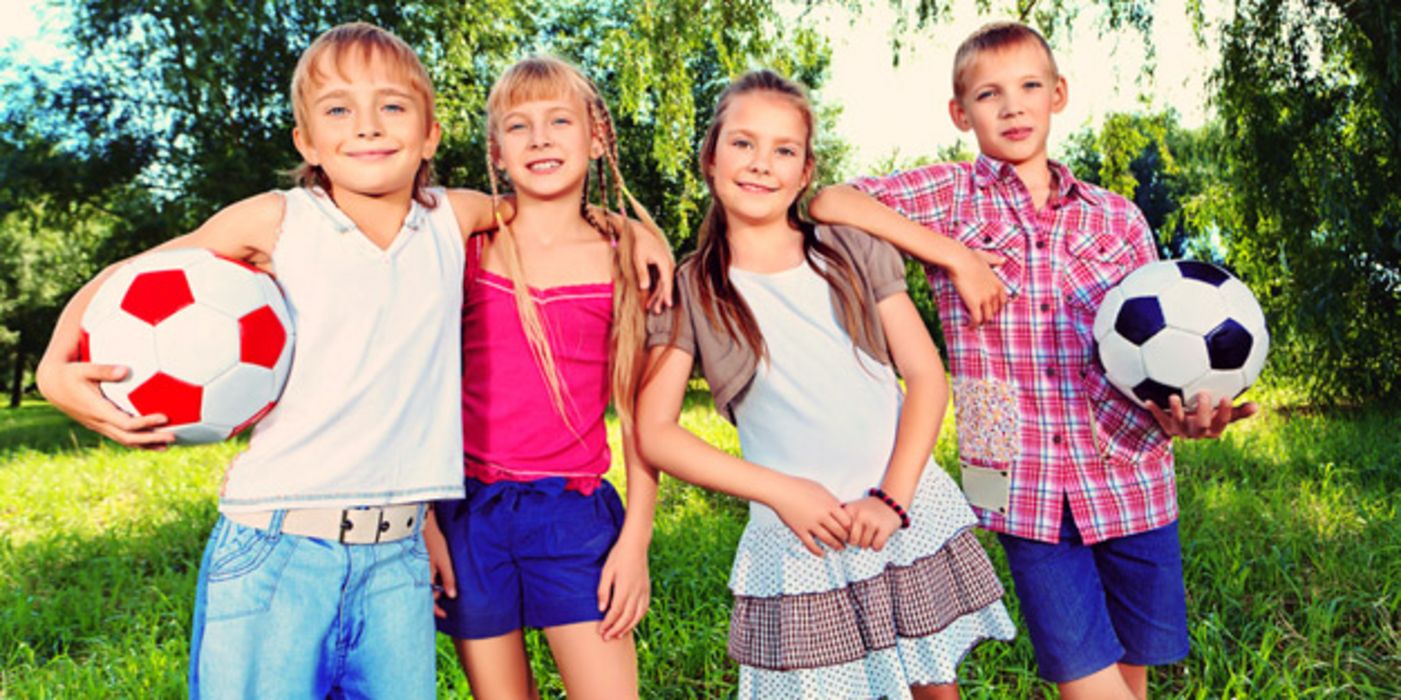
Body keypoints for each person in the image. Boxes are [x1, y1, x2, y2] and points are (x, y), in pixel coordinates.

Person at [34, 25, 670, 698]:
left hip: (396, 559)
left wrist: (632, 226)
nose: (366, 126)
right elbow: (128, 275)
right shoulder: (275, 221)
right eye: (338, 109)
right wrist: (53, 367)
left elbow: (548, 208)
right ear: (305, 141)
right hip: (279, 543)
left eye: (392, 106)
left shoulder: (452, 219)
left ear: (430, 134)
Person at [808, 21, 1258, 700]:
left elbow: (1152, 358)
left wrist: (1178, 419)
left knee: (1129, 673)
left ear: (1058, 95)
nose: (1012, 106)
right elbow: (828, 201)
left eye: (1027, 87)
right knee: (1084, 678)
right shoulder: (951, 198)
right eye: (988, 94)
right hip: (1020, 484)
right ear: (960, 114)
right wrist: (953, 254)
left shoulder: (1116, 219)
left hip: (1130, 475)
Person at [636, 69, 1016, 700]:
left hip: (901, 511)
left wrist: (891, 500)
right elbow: (655, 433)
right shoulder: (692, 290)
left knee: (933, 690)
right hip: (802, 539)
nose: (762, 164)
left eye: (784, 150)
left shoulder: (847, 250)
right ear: (710, 157)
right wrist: (783, 493)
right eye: (743, 144)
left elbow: (926, 377)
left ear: (805, 170)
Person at [420, 56, 666, 700]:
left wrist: (635, 539)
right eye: (519, 126)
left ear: (596, 137)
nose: (541, 138)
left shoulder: (624, 261)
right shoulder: (469, 245)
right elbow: (419, 390)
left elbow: (646, 417)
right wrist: (425, 522)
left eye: (560, 120)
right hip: (467, 514)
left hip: (571, 515)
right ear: (497, 153)